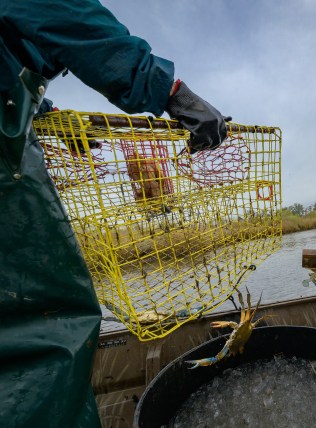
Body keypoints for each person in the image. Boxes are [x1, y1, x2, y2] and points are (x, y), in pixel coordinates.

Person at [0, 1, 227, 427]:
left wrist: (45, 113)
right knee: (46, 314)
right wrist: (170, 91)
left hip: (14, 109)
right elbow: (64, 14)